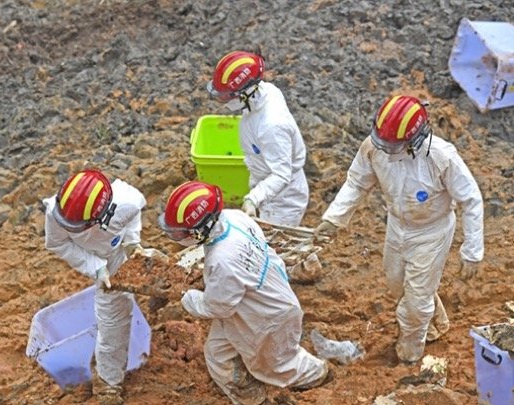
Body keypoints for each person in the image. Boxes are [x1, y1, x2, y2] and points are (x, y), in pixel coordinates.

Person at [314, 95, 484, 363]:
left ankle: (411, 352)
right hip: (396, 226)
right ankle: (435, 319)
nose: (387, 151)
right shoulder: (374, 148)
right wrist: (334, 218)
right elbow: (357, 183)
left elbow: (471, 199)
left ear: (416, 139)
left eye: (394, 146)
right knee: (398, 286)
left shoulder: (441, 157)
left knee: (414, 304)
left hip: (431, 233)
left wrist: (472, 251)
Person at [158, 180, 330, 404]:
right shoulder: (233, 217)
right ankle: (252, 398)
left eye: (182, 233)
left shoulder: (222, 260)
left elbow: (216, 306)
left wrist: (185, 296)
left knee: (277, 366)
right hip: (251, 301)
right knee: (219, 355)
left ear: (201, 230)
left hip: (264, 317)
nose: (179, 237)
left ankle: (320, 374)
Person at [43, 169, 146, 404]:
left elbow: (134, 214)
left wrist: (132, 243)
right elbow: (57, 244)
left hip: (119, 252)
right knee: (112, 324)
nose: (69, 227)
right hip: (101, 261)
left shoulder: (126, 202)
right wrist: (96, 267)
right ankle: (109, 385)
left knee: (159, 274)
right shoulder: (56, 213)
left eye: (76, 226)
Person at [207, 50, 309, 227]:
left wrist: (253, 199)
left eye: (227, 95)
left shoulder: (272, 126)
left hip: (283, 200)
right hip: (266, 186)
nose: (223, 99)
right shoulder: (265, 92)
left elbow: (281, 175)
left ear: (247, 92)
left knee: (274, 247)